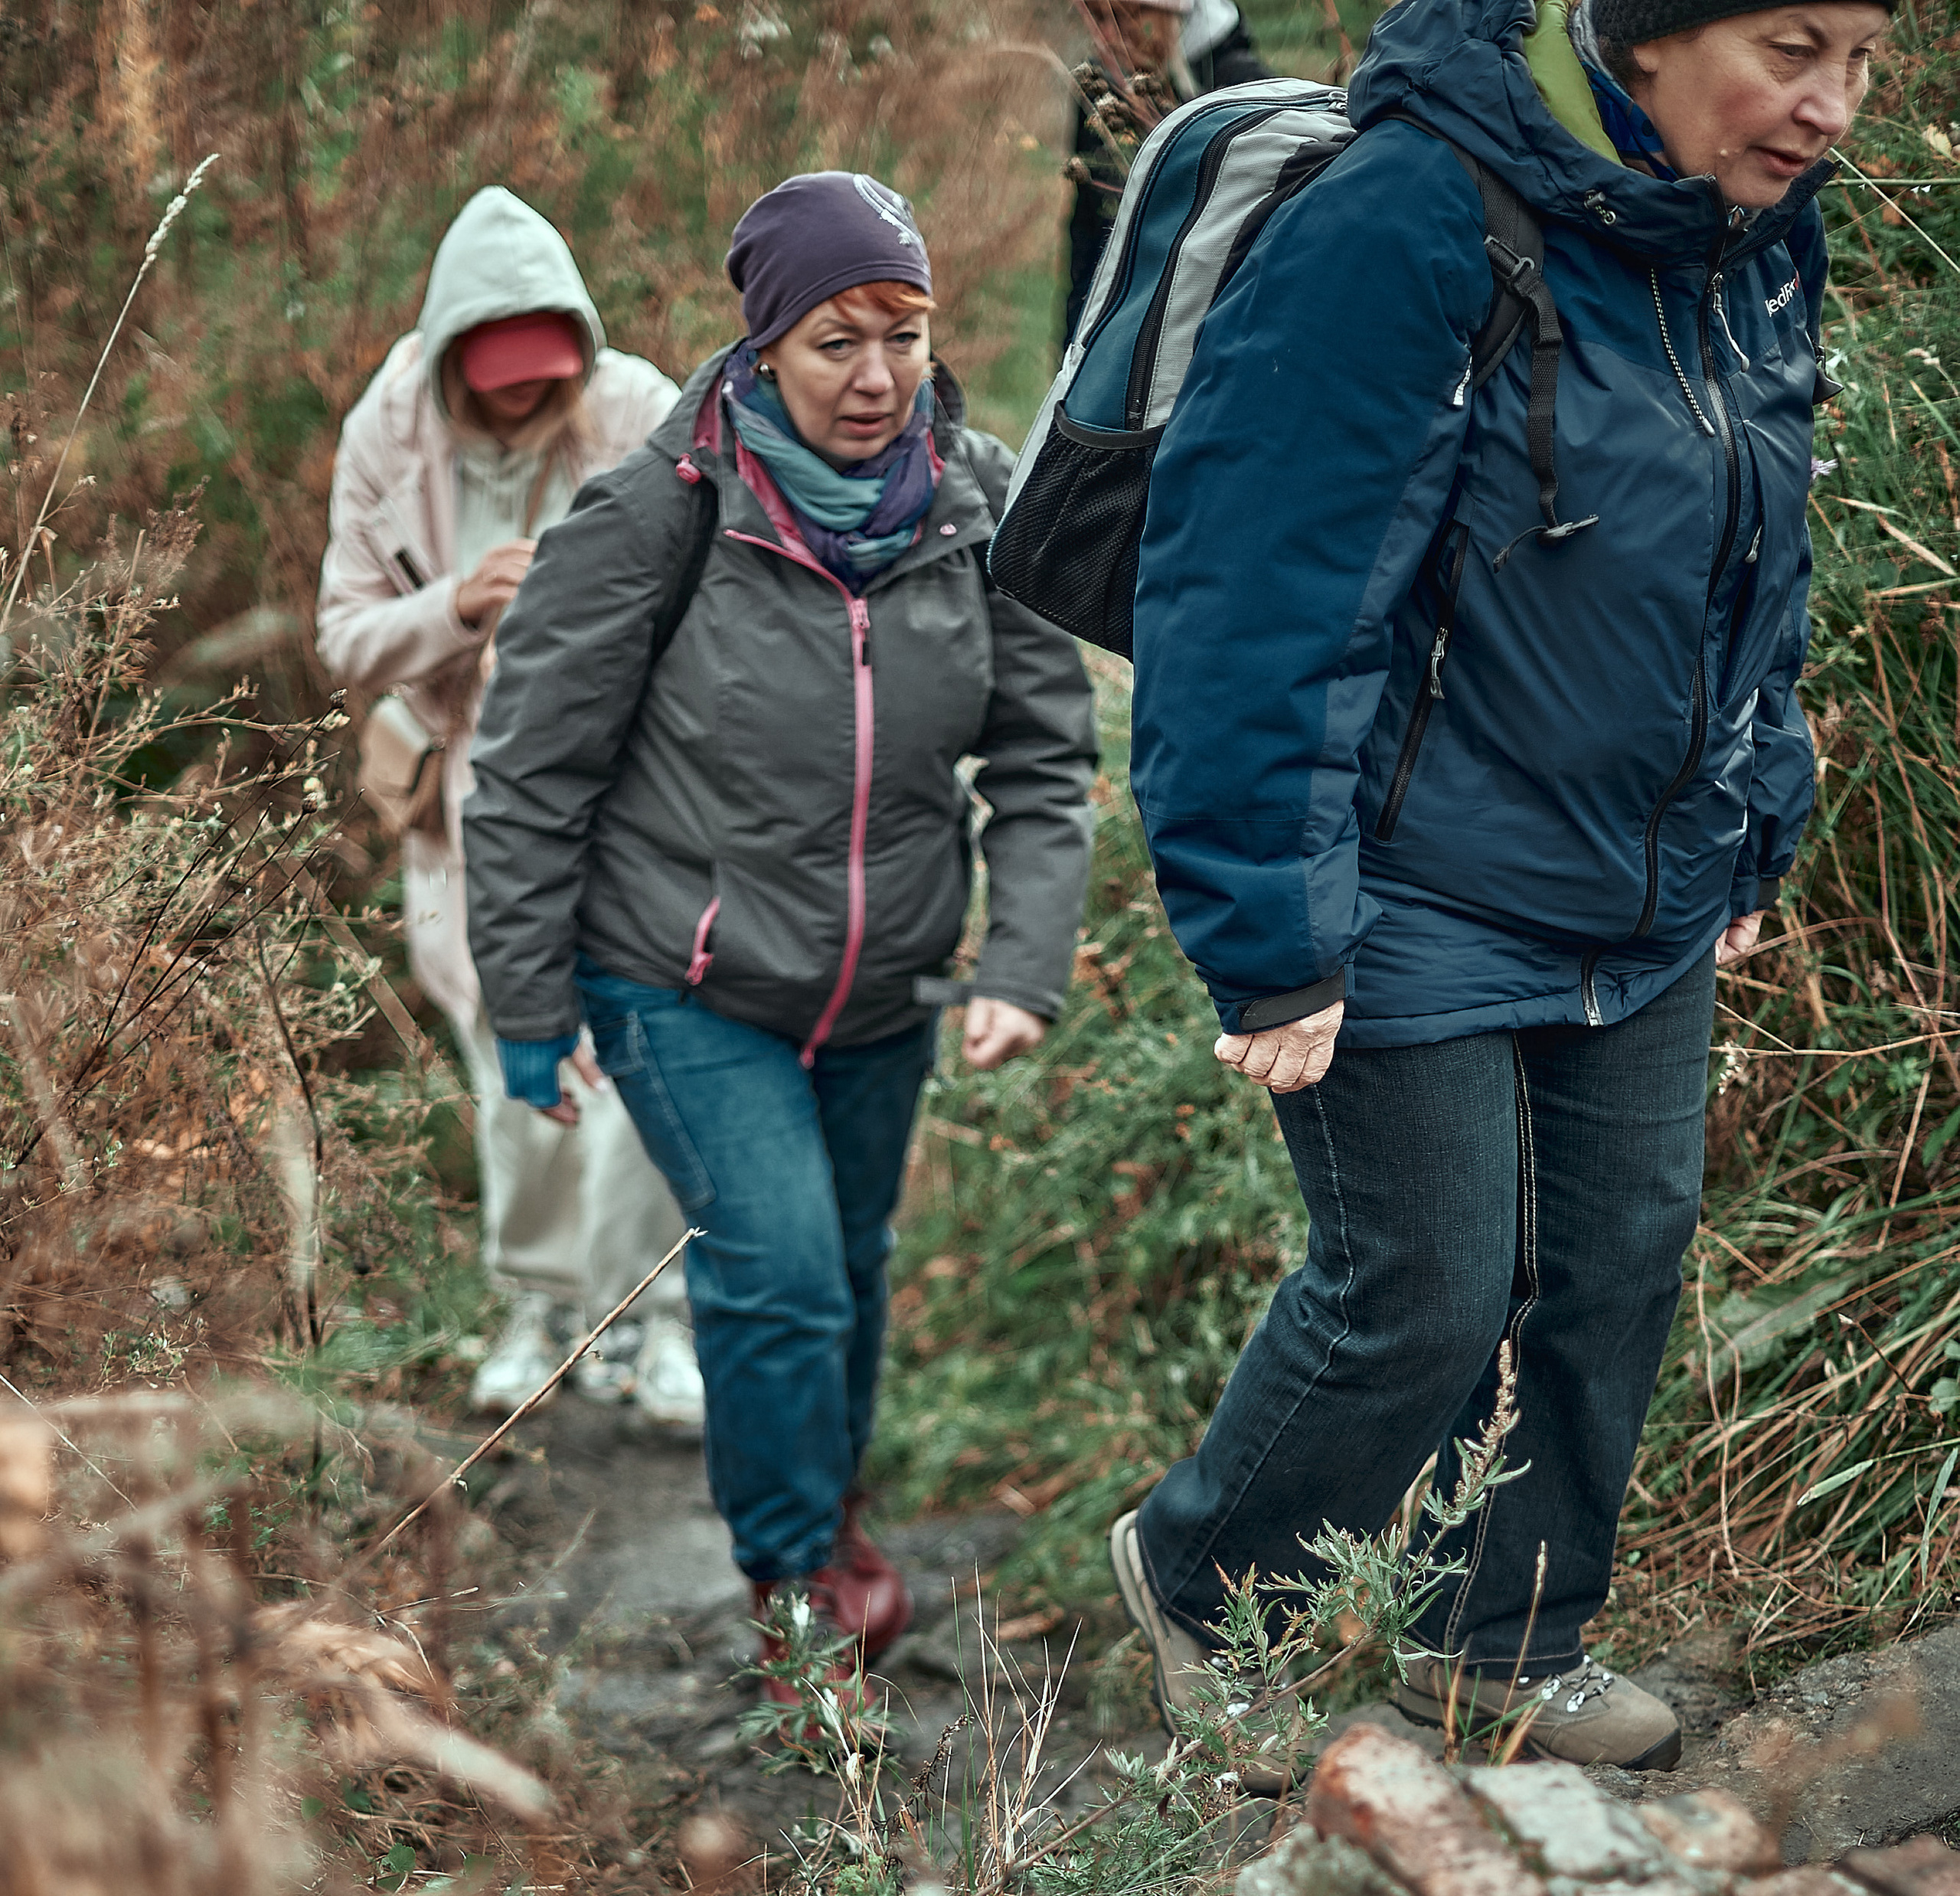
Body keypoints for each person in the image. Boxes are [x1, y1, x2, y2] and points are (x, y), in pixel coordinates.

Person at [1112, 0, 1886, 1779]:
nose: (1827, 107)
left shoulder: (1755, 232)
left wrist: (1753, 803)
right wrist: (1272, 928)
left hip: (1645, 870)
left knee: (1616, 1257)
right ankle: (1201, 1577)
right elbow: (1253, 585)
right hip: (1410, 878)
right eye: (1789, 44)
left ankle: (1502, 1637)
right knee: (1424, 1284)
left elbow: (1751, 555)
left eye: (1860, 55)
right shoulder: (1409, 215)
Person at [462, 172, 1096, 1685]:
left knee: (853, 1268)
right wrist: (529, 1007)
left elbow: (1040, 751)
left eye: (903, 333)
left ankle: (830, 1515)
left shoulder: (976, 499)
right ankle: (792, 1584)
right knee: (781, 1271)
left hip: (883, 978)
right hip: (684, 978)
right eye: (833, 342)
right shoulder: (653, 514)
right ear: (761, 344)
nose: (876, 379)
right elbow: (531, 768)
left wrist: (1021, 958)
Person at [317, 185, 706, 1430]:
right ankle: (540, 1305)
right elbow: (345, 638)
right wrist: (461, 610)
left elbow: (728, 573)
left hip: (633, 781)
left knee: (642, 1040)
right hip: (472, 791)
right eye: (499, 376)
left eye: (547, 371)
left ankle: (651, 1320)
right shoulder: (389, 432)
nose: (527, 394)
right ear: (448, 368)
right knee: (509, 1055)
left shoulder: (636, 409)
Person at [1063, 0, 1272, 345]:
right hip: (1118, 342)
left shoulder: (1244, 91)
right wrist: (1074, 351)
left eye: (1123, 17)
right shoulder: (1100, 91)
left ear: (1170, 15)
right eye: (1097, 17)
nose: (1106, 35)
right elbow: (1089, 238)